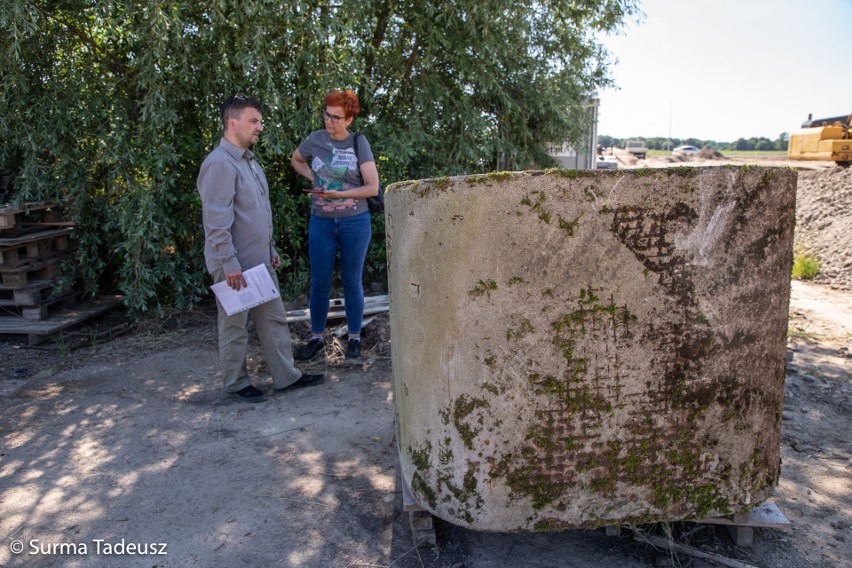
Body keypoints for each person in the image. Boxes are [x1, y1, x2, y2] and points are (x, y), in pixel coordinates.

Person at [198, 94, 324, 402]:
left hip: (258, 262)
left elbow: (257, 212)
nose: (260, 127)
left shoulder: (249, 162)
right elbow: (216, 222)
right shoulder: (219, 164)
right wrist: (229, 264)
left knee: (274, 321)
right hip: (235, 267)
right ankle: (237, 383)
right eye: (253, 121)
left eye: (260, 121)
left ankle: (286, 377)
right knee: (235, 327)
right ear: (233, 123)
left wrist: (269, 248)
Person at [290, 90, 379, 360]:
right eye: (327, 115)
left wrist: (339, 195)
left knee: (352, 280)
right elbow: (296, 159)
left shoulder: (358, 143)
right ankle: (316, 337)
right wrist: (314, 178)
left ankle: (353, 338)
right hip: (321, 222)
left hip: (355, 221)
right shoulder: (315, 140)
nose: (330, 122)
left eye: (336, 118)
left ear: (349, 119)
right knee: (319, 282)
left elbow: (372, 187)